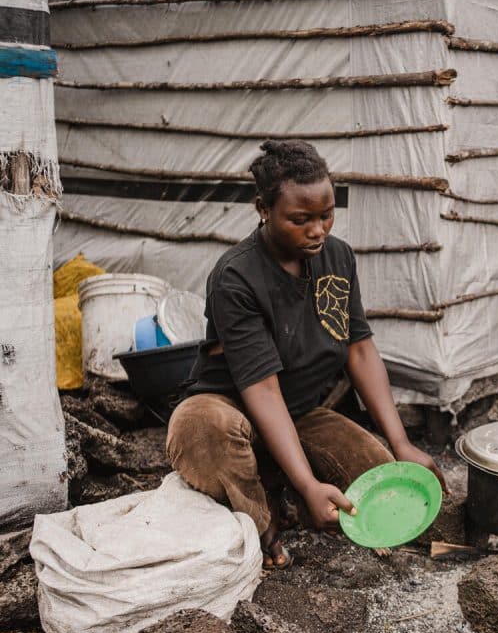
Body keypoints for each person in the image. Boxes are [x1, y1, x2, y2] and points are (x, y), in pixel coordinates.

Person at [166, 140, 447, 569]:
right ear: (263, 209)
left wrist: (401, 441)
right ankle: (262, 525)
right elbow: (260, 387)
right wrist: (309, 481)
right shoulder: (236, 278)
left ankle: (288, 486)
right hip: (234, 405)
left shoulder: (338, 258)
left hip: (299, 412)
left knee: (381, 474)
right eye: (301, 220)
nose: (318, 230)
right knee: (202, 429)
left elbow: (359, 349)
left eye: (326, 215)